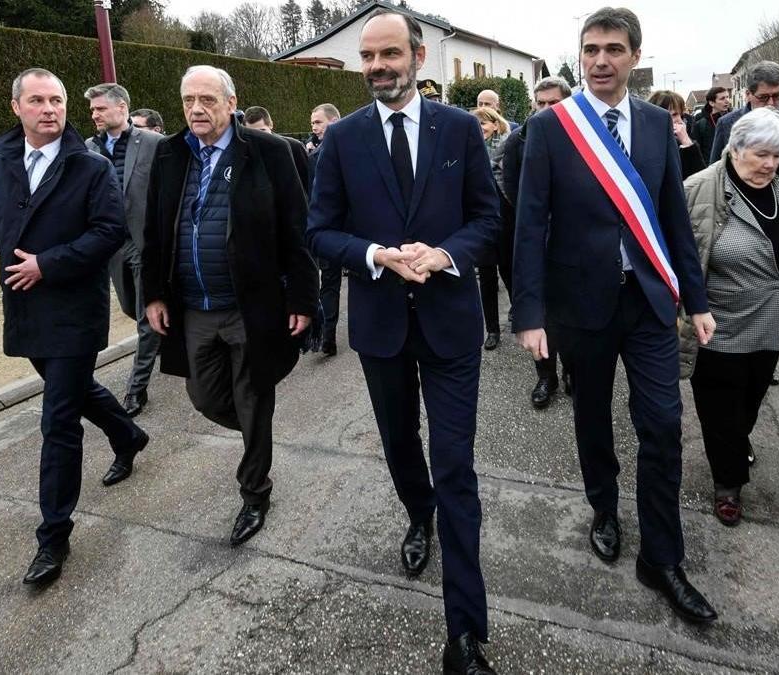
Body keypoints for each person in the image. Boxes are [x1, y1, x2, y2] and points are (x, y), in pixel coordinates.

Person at [306, 9, 501, 672]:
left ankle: (466, 635)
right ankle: (419, 514)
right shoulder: (342, 139)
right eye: (368, 57)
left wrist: (445, 254)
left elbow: (488, 218)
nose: (377, 67)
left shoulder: (460, 130)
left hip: (449, 323)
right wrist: (373, 255)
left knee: (456, 465)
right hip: (382, 326)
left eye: (389, 54)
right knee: (400, 446)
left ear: (417, 57)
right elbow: (320, 231)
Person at [514, 7, 718, 625]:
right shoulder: (552, 127)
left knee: (661, 423)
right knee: (593, 414)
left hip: (649, 300)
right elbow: (529, 223)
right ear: (581, 55)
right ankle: (604, 505)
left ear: (634, 56)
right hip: (582, 303)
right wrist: (529, 313)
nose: (601, 60)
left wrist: (698, 299)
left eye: (613, 49)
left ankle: (662, 556)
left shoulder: (657, 124)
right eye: (591, 48)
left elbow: (671, 218)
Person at [0, 68, 148, 585]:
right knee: (76, 391)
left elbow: (111, 231)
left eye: (57, 100)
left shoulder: (89, 166)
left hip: (74, 310)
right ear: (16, 106)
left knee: (57, 419)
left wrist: (49, 262)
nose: (49, 109)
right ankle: (127, 434)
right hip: (24, 309)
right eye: (38, 100)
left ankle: (53, 537)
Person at [141, 65, 319, 547]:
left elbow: (296, 229)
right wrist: (153, 292)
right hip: (193, 306)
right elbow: (156, 228)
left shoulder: (271, 152)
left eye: (207, 100)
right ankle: (256, 429)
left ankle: (254, 491)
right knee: (205, 396)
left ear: (231, 102)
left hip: (250, 305)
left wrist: (304, 296)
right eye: (187, 101)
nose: (196, 109)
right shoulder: (170, 154)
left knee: (252, 391)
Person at [680, 108, 779, 526]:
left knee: (750, 403)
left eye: (777, 156)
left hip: (772, 322)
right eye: (760, 154)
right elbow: (680, 258)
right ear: (734, 149)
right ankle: (728, 484)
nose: (770, 164)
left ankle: (736, 444)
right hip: (718, 323)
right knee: (721, 412)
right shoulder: (699, 189)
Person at [84, 83, 163, 420]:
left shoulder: (153, 144)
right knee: (131, 309)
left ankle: (136, 388)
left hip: (146, 242)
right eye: (92, 110)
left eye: (100, 109)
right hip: (112, 243)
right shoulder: (87, 148)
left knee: (146, 320)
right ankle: (169, 336)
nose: (94, 115)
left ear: (122, 108)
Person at [500, 76, 572, 409]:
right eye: (539, 103)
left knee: (572, 311)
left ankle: (573, 369)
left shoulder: (584, 137)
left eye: (552, 103)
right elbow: (516, 191)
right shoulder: (518, 140)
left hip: (574, 241)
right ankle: (546, 375)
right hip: (534, 240)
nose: (544, 110)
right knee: (538, 312)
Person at [710, 61, 779, 173]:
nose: (771, 103)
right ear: (748, 94)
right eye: (763, 97)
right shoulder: (727, 123)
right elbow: (716, 171)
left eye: (776, 96)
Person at [472, 105, 512, 351]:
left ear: (495, 125)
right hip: (483, 222)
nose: (479, 130)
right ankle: (493, 330)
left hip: (507, 220)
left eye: (483, 125)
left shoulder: (509, 147)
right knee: (486, 278)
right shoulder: (471, 150)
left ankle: (519, 312)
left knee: (509, 272)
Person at [307, 103, 344, 356]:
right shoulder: (312, 153)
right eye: (312, 124)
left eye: (318, 122)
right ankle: (327, 336)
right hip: (326, 230)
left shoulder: (346, 148)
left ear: (333, 121)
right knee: (328, 283)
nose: (314, 128)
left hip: (347, 229)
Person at [647, 90, 707, 175]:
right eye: (674, 115)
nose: (680, 120)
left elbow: (699, 177)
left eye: (681, 115)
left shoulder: (678, 142)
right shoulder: (646, 145)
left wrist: (687, 143)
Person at [691, 86, 729, 164]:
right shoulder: (701, 123)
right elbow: (697, 151)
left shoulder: (734, 118)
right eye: (722, 98)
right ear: (711, 103)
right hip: (711, 167)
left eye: (727, 97)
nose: (727, 101)